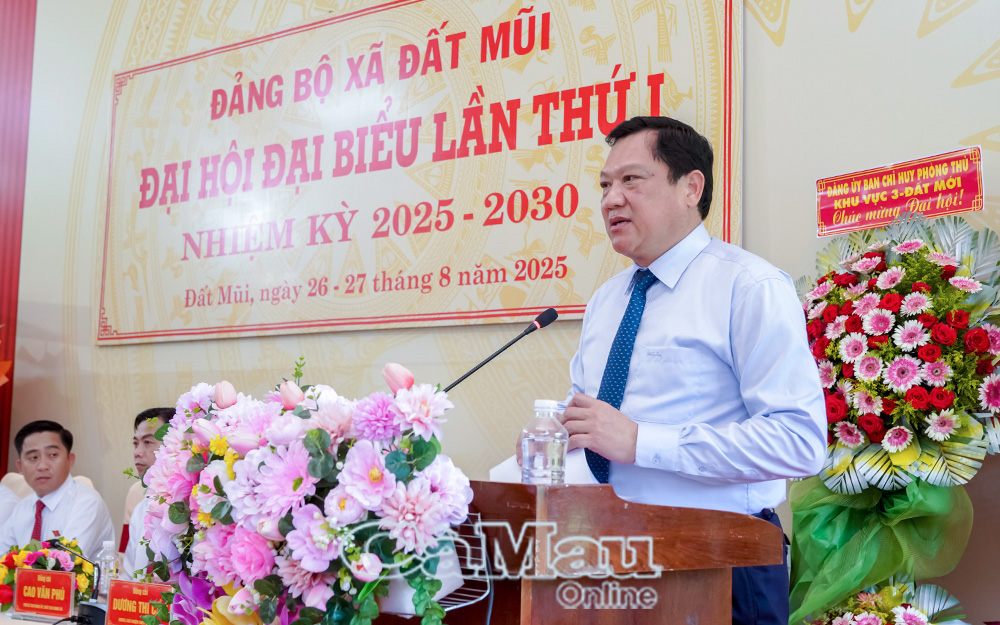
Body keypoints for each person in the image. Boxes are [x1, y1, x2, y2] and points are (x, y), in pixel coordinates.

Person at [555, 116, 826, 624]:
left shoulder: (749, 286)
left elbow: (799, 441)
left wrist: (642, 441)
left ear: (690, 188)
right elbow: (591, 421)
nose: (611, 199)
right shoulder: (606, 301)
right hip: (609, 558)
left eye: (631, 180)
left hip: (721, 560)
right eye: (605, 185)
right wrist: (557, 431)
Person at [0, 421, 115, 559]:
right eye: (33, 457)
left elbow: (66, 563)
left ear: (70, 460)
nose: (42, 466)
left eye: (53, 455)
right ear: (20, 467)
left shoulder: (87, 503)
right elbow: (2, 556)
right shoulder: (22, 507)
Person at [122, 407, 172, 580]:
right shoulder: (141, 509)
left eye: (148, 442)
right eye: (136, 443)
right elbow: (130, 575)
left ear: (174, 445)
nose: (137, 452)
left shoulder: (194, 508)